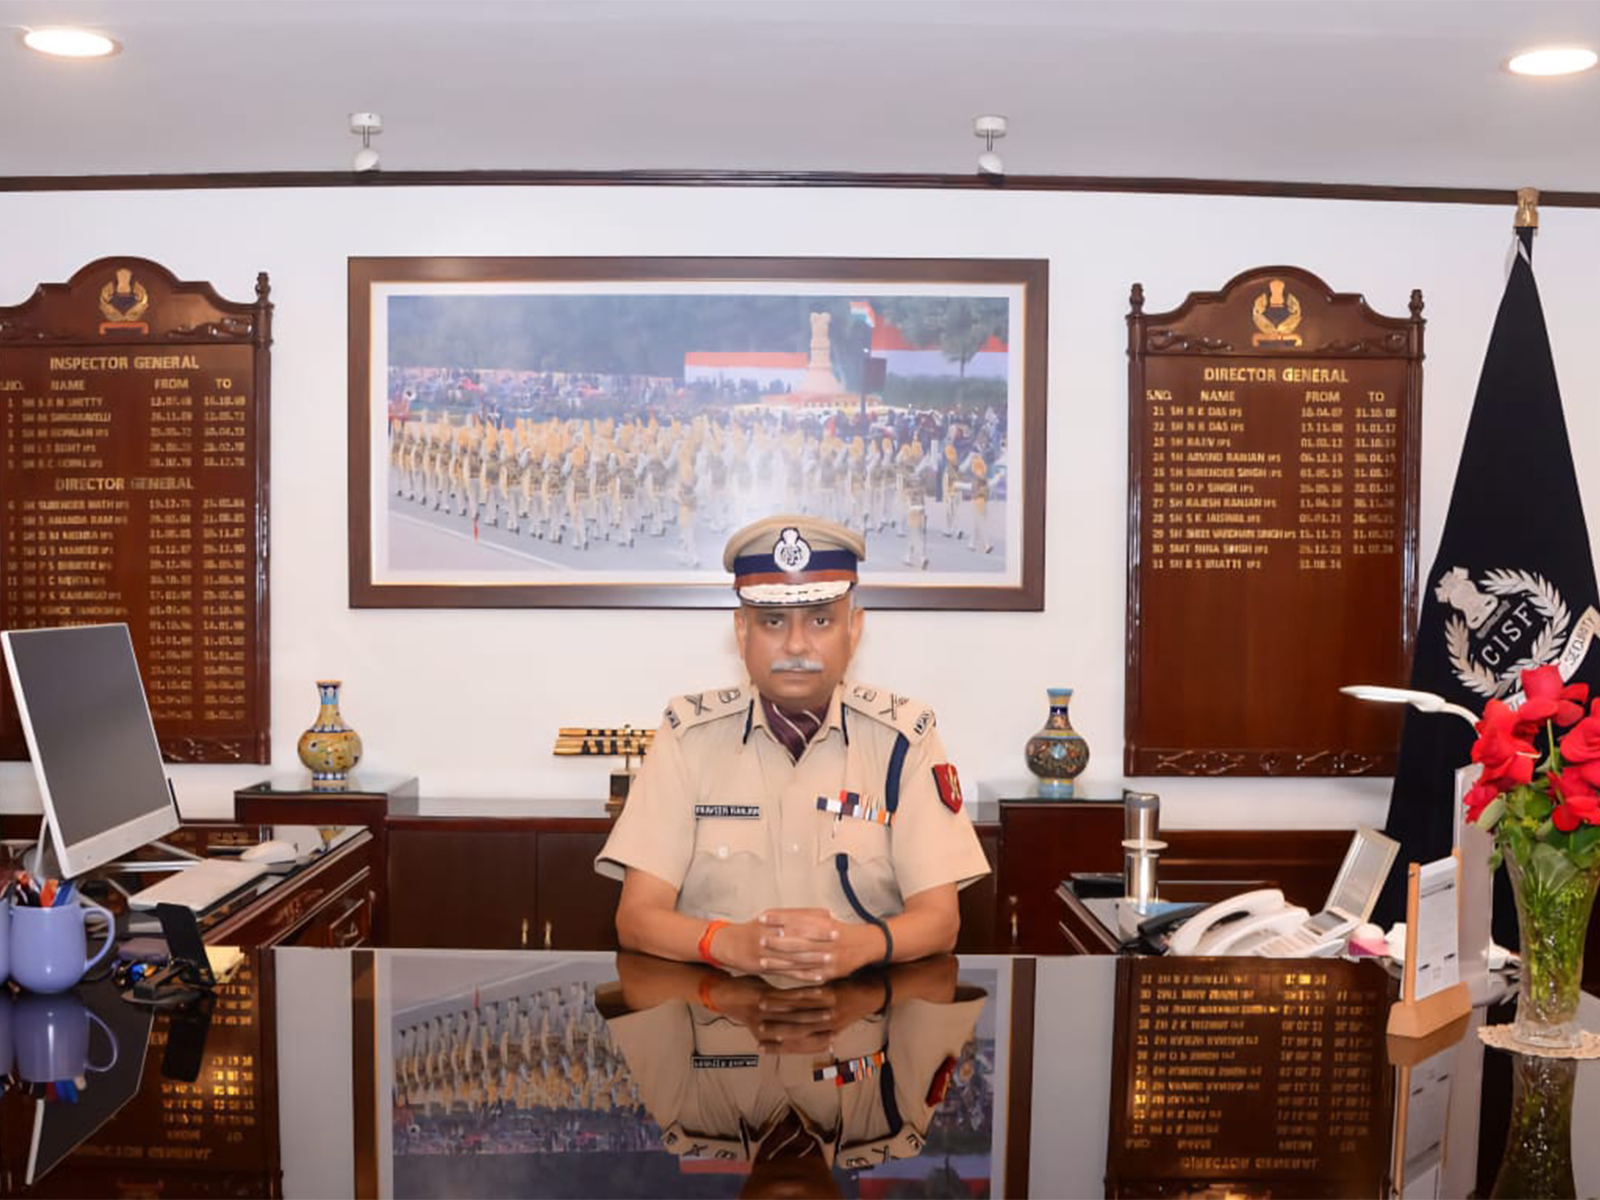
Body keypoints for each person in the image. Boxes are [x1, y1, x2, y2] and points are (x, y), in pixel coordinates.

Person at [595, 514, 991, 985]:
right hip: (719, 1021)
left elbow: (941, 921)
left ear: (854, 630)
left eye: (821, 620)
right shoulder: (688, 737)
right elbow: (637, 917)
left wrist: (858, 946)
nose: (797, 644)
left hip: (862, 1027)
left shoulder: (904, 740)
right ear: (742, 633)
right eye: (773, 621)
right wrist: (726, 942)